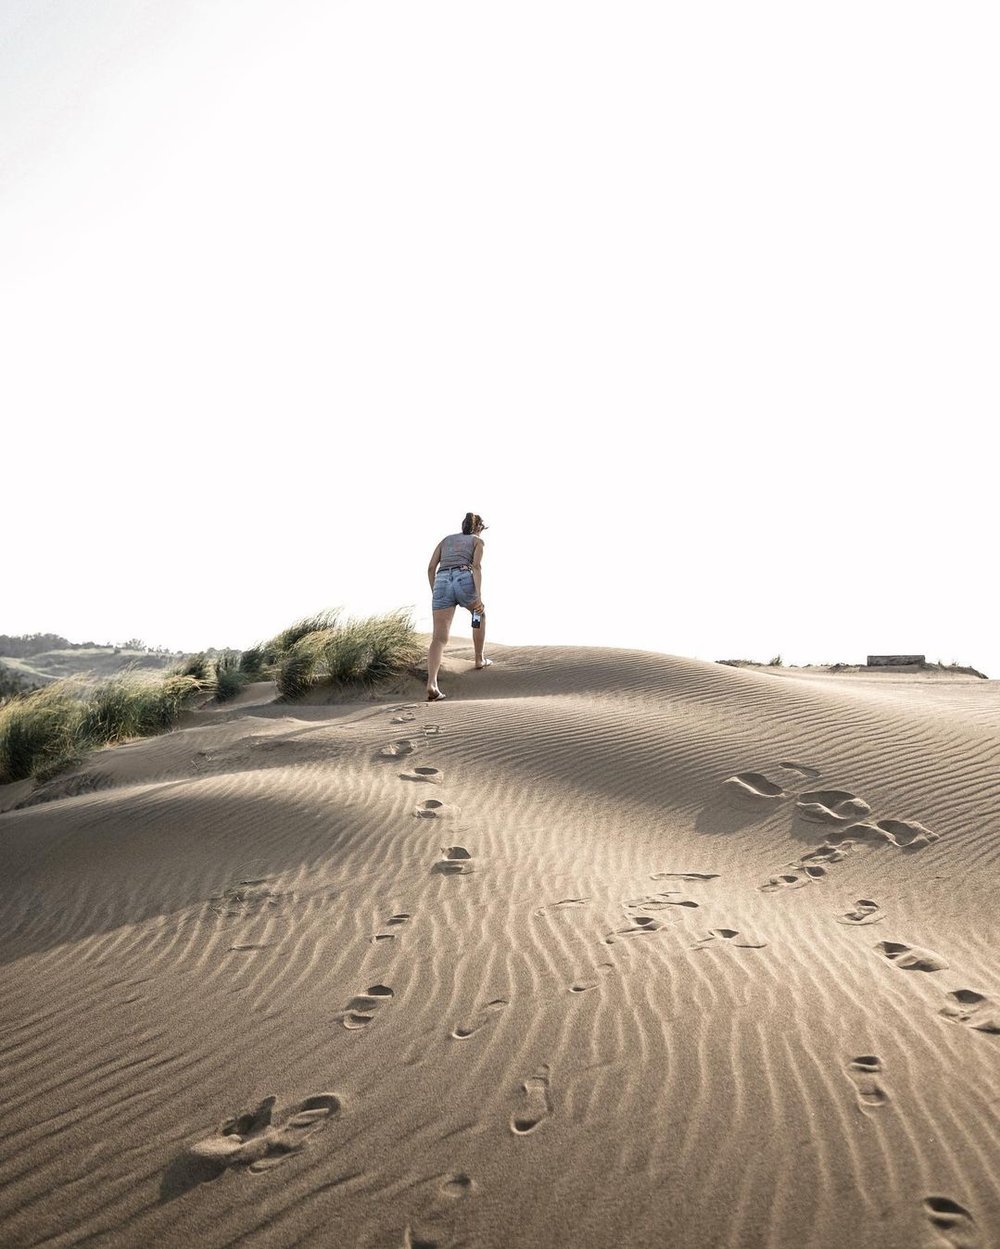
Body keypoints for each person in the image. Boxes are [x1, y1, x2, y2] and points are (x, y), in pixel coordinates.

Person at [425, 512, 491, 701]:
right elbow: (476, 566)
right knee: (479, 614)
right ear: (478, 528)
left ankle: (432, 683)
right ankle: (479, 658)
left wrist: (435, 590)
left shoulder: (445, 540)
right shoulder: (477, 541)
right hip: (464, 578)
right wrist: (478, 596)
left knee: (438, 638)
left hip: (442, 581)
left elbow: (430, 568)